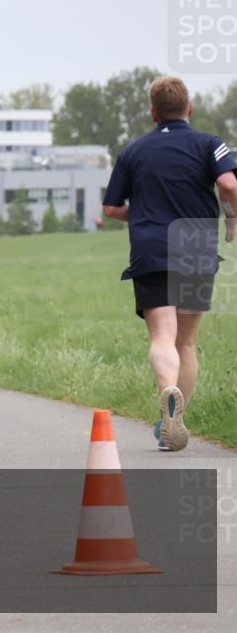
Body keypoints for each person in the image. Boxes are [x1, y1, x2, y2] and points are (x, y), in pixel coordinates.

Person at [101, 76, 237, 452]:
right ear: (189, 109)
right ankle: (171, 420)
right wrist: (232, 218)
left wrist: (144, 214)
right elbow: (229, 185)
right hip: (195, 242)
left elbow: (111, 208)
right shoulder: (211, 144)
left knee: (163, 336)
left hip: (151, 247)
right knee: (187, 342)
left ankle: (167, 392)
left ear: (153, 112)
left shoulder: (133, 151)